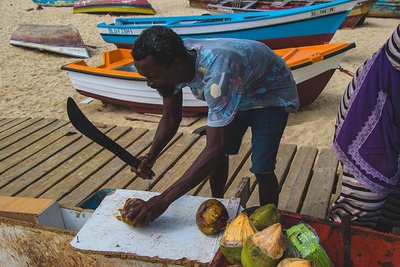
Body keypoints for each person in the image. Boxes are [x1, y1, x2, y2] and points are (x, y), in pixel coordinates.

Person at [124, 26, 299, 227]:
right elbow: (171, 117)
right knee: (219, 154)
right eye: (145, 77)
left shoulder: (218, 73)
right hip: (237, 90)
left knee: (261, 166)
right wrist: (151, 155)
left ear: (176, 65)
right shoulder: (172, 58)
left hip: (270, 97)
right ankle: (220, 203)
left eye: (153, 77)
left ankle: (270, 221)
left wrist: (163, 200)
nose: (150, 83)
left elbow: (215, 149)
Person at [329, 24, 400, 231]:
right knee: (364, 202)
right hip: (373, 112)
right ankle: (344, 246)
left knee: (394, 201)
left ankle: (379, 239)